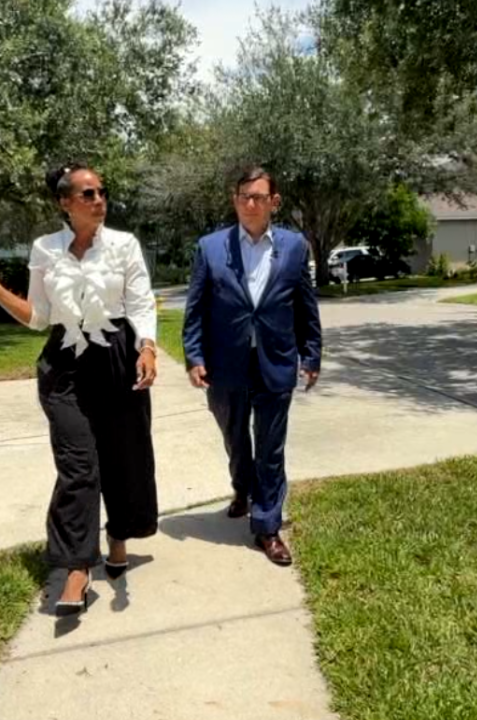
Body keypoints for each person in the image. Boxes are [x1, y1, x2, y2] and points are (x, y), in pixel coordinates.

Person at [0, 162, 160, 616]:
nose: (98, 200)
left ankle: (117, 538)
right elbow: (39, 316)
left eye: (101, 192)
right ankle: (77, 567)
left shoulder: (123, 245)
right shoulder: (45, 248)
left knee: (125, 456)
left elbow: (139, 301)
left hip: (118, 354)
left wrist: (148, 348)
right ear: (64, 202)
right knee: (79, 463)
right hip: (65, 363)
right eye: (87, 193)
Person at [182, 166, 322, 566]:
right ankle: (242, 488)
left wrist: (311, 354)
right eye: (243, 195)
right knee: (235, 438)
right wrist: (194, 356)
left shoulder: (295, 247)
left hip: (276, 362)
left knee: (271, 448)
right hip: (225, 365)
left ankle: (267, 526)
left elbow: (305, 306)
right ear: (235, 199)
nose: (250, 203)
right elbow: (195, 310)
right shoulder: (210, 247)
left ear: (273, 202)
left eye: (258, 196)